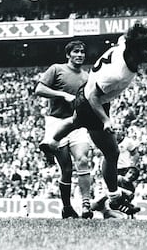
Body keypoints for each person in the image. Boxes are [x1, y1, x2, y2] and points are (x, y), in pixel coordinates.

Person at [39, 22, 147, 216]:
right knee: (112, 153)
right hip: (92, 102)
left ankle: (52, 141)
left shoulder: (123, 45)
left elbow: (127, 36)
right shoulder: (117, 74)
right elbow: (94, 97)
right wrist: (105, 120)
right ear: (136, 49)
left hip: (84, 93)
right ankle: (114, 198)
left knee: (76, 121)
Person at [35, 40, 93, 219]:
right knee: (66, 169)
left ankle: (86, 205)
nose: (80, 55)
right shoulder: (56, 69)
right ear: (68, 55)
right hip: (56, 122)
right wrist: (62, 94)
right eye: (76, 52)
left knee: (82, 160)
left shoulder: (86, 76)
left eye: (82, 52)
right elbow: (39, 89)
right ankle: (67, 207)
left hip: (77, 123)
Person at [91, 126, 141, 219]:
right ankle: (112, 209)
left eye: (120, 129)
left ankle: (127, 210)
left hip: (123, 170)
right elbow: (96, 152)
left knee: (122, 194)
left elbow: (135, 153)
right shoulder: (107, 140)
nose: (117, 131)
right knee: (111, 192)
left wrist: (132, 165)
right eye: (116, 129)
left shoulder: (128, 141)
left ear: (123, 131)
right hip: (110, 169)